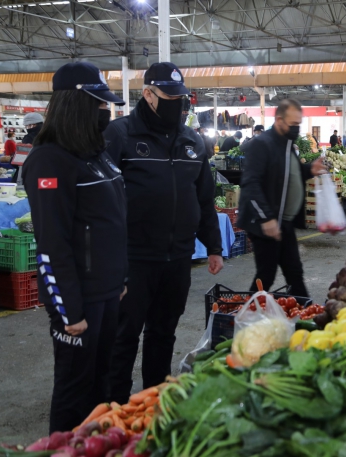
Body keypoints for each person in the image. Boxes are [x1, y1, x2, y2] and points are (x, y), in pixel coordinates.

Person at [104, 62, 224, 404]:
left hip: (177, 258)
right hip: (133, 258)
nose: (178, 102)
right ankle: (116, 406)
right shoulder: (120, 135)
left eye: (181, 96)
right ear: (148, 95)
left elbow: (204, 199)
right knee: (124, 336)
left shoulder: (192, 142)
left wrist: (214, 246)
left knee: (163, 333)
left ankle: (152, 402)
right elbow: (102, 200)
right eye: (170, 96)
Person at [21, 62, 127, 433]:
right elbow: (53, 244)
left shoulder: (94, 154)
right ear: (76, 105)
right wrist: (69, 311)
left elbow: (108, 223)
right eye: (99, 104)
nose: (105, 111)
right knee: (74, 388)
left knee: (102, 384)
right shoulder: (49, 160)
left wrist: (119, 280)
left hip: (107, 292)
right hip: (79, 299)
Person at [237, 99, 325, 297]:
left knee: (294, 271)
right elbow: (251, 184)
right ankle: (244, 317)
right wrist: (267, 218)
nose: (296, 129)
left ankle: (305, 314)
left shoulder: (286, 144)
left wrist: (309, 169)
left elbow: (287, 175)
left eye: (298, 125)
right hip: (264, 221)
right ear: (278, 120)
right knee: (266, 274)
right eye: (293, 125)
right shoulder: (262, 144)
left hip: (282, 221)